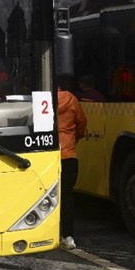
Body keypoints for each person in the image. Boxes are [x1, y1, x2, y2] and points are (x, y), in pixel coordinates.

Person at [57, 75, 87, 249]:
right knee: (67, 196)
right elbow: (81, 123)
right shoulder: (72, 99)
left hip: (47, 157)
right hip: (68, 156)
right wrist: (73, 139)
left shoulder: (41, 100)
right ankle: (68, 236)